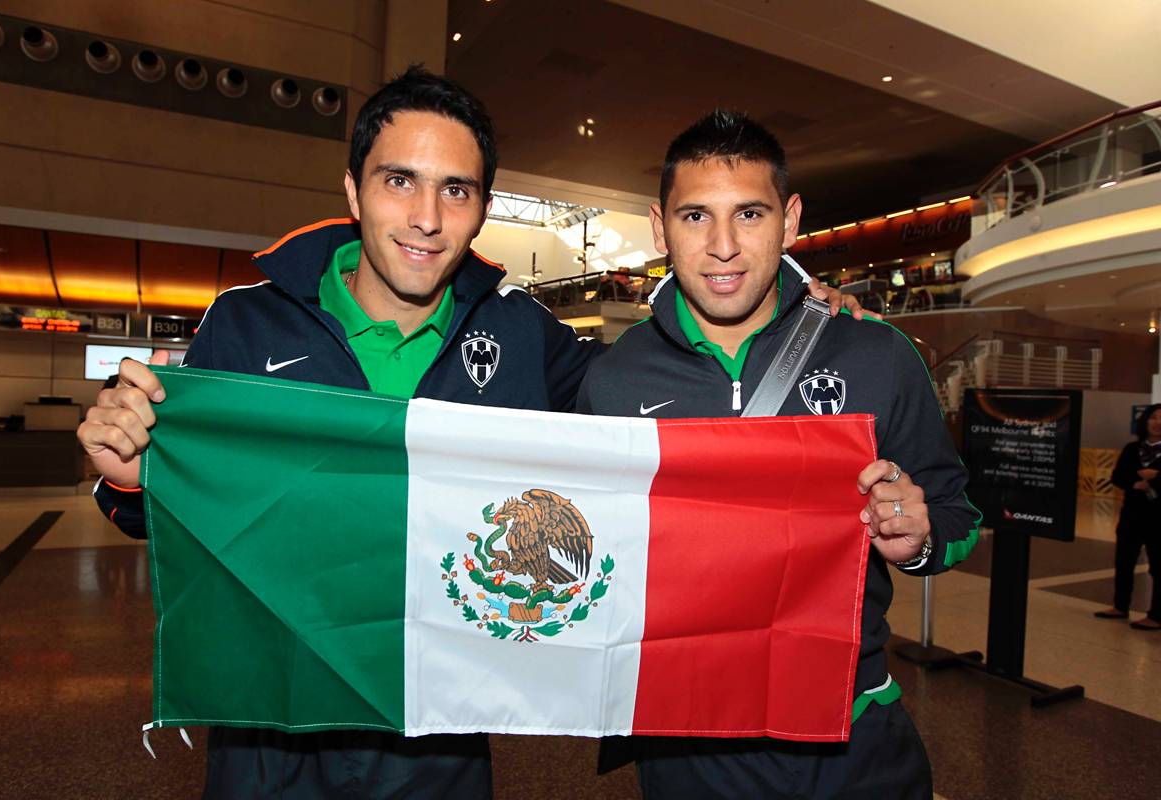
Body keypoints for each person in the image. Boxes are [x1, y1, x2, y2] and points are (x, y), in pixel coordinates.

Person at [76, 71, 865, 798]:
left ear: (483, 206)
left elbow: (660, 404)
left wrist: (793, 317)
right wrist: (127, 473)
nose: (427, 218)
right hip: (274, 727)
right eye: (400, 181)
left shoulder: (521, 335)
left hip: (439, 739)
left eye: (456, 190)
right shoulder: (247, 324)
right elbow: (173, 504)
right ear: (353, 189)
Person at [577, 110, 980, 799]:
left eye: (750, 214)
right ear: (660, 228)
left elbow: (958, 515)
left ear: (789, 221)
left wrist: (919, 540)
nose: (724, 246)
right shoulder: (614, 380)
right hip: (689, 742)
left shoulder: (876, 354)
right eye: (696, 217)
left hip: (852, 732)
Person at [1094, 403, 1161, 630]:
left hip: (1158, 519)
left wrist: (1156, 477)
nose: (1158, 423)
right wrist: (1135, 483)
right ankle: (1120, 606)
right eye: (1153, 418)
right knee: (1124, 561)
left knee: (1158, 567)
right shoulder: (1132, 449)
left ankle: (1156, 615)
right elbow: (1118, 476)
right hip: (1132, 515)